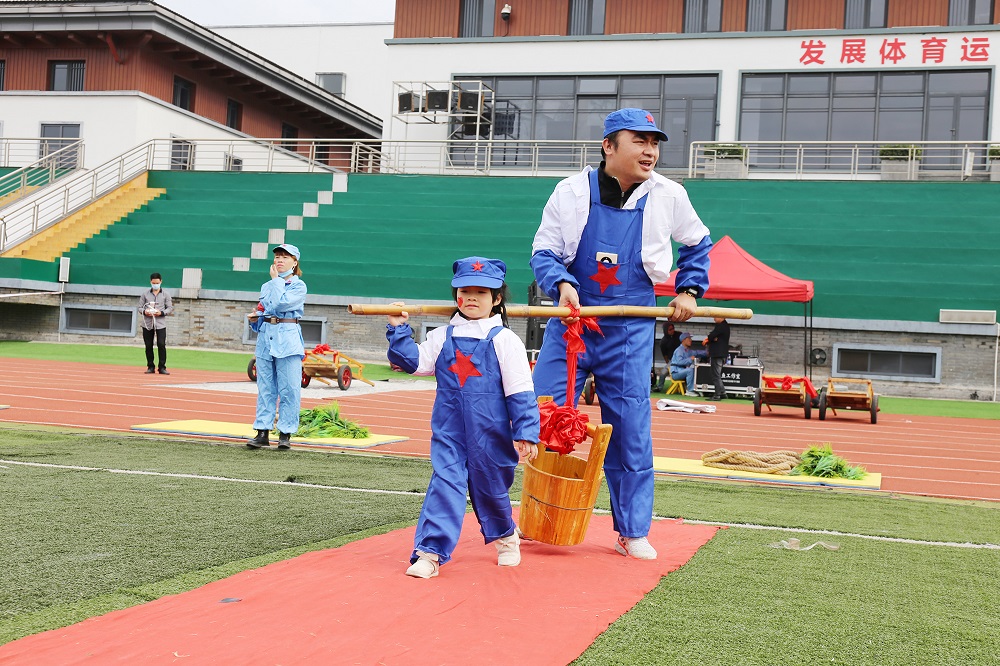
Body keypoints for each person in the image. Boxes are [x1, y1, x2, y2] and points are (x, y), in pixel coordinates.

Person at [530, 108, 712, 561]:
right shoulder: (570, 191)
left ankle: (632, 531)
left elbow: (697, 243)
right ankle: (520, 518)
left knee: (630, 430)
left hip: (631, 327)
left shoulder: (670, 194)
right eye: (639, 141)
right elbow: (544, 251)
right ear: (609, 146)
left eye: (655, 143)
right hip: (573, 321)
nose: (650, 151)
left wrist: (689, 289)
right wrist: (562, 284)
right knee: (536, 414)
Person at [386, 256, 540, 579]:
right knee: (446, 484)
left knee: (491, 489)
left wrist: (526, 432)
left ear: (496, 299)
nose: (472, 298)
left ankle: (506, 536)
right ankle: (430, 553)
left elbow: (520, 390)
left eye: (481, 292)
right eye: (464, 291)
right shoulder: (441, 336)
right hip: (450, 431)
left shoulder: (505, 340)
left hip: (491, 434)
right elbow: (413, 362)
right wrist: (398, 328)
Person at [246, 244, 306, 451]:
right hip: (266, 339)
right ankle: (262, 431)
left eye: (285, 257)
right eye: (277, 257)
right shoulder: (266, 286)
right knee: (265, 388)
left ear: (294, 262)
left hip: (288, 340)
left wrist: (276, 281)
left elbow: (281, 305)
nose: (279, 260)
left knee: (289, 388)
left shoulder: (298, 286)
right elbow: (265, 309)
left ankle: (285, 433)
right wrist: (255, 318)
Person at [137, 272, 173, 375]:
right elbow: (139, 307)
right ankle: (150, 366)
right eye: (153, 283)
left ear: (161, 282)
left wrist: (161, 313)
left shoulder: (166, 294)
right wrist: (145, 312)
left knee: (161, 344)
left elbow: (170, 308)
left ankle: (162, 367)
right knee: (148, 345)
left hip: (160, 323)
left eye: (157, 283)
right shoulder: (145, 294)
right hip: (147, 324)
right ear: (150, 282)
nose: (155, 285)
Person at [703, 316, 731, 401]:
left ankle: (717, 394)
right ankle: (722, 392)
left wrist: (711, 338)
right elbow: (713, 337)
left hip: (717, 354)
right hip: (721, 353)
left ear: (721, 317)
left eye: (715, 316)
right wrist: (713, 338)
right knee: (716, 374)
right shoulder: (725, 326)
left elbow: (711, 336)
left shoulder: (721, 326)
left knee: (716, 375)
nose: (714, 318)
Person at [654, 321, 682, 391]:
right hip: (672, 360)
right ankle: (659, 387)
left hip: (682, 358)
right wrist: (668, 362)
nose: (672, 331)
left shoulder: (678, 335)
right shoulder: (663, 342)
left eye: (673, 328)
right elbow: (664, 354)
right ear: (666, 330)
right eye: (670, 329)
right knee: (663, 373)